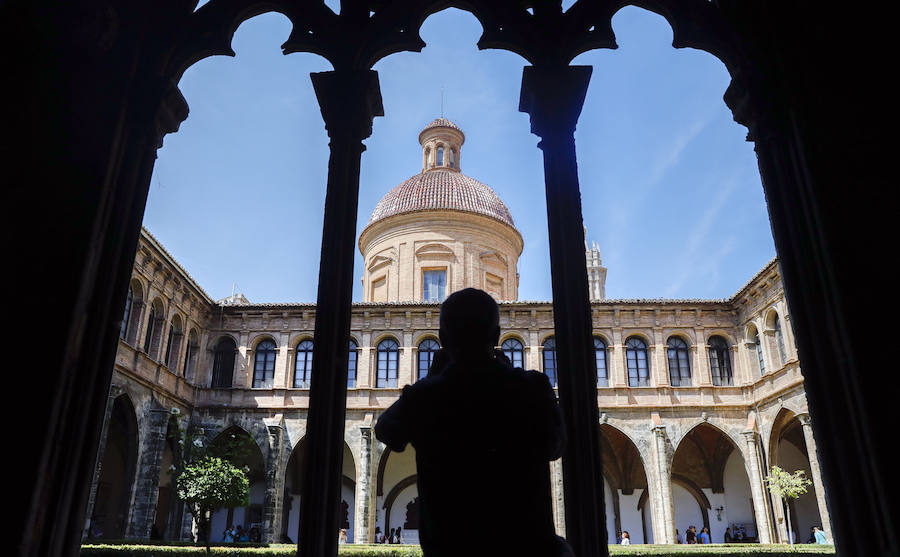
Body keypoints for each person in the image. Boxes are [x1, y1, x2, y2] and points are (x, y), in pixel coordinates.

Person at [375, 288, 569, 557]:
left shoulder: (426, 396)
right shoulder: (532, 388)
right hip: (525, 547)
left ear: (442, 339)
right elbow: (556, 447)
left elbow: (385, 430)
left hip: (452, 549)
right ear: (496, 336)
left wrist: (429, 379)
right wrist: (512, 373)